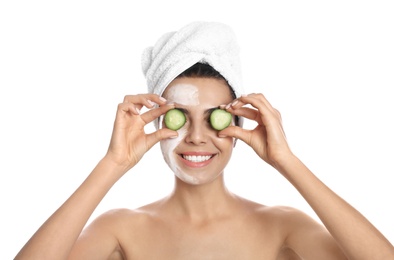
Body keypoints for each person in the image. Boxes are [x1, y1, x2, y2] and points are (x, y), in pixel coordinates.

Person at [15, 21, 394, 260]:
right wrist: (111, 165)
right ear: (157, 121)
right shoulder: (121, 229)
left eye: (214, 118)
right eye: (180, 118)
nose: (197, 137)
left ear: (238, 120)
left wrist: (287, 161)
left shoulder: (282, 228)